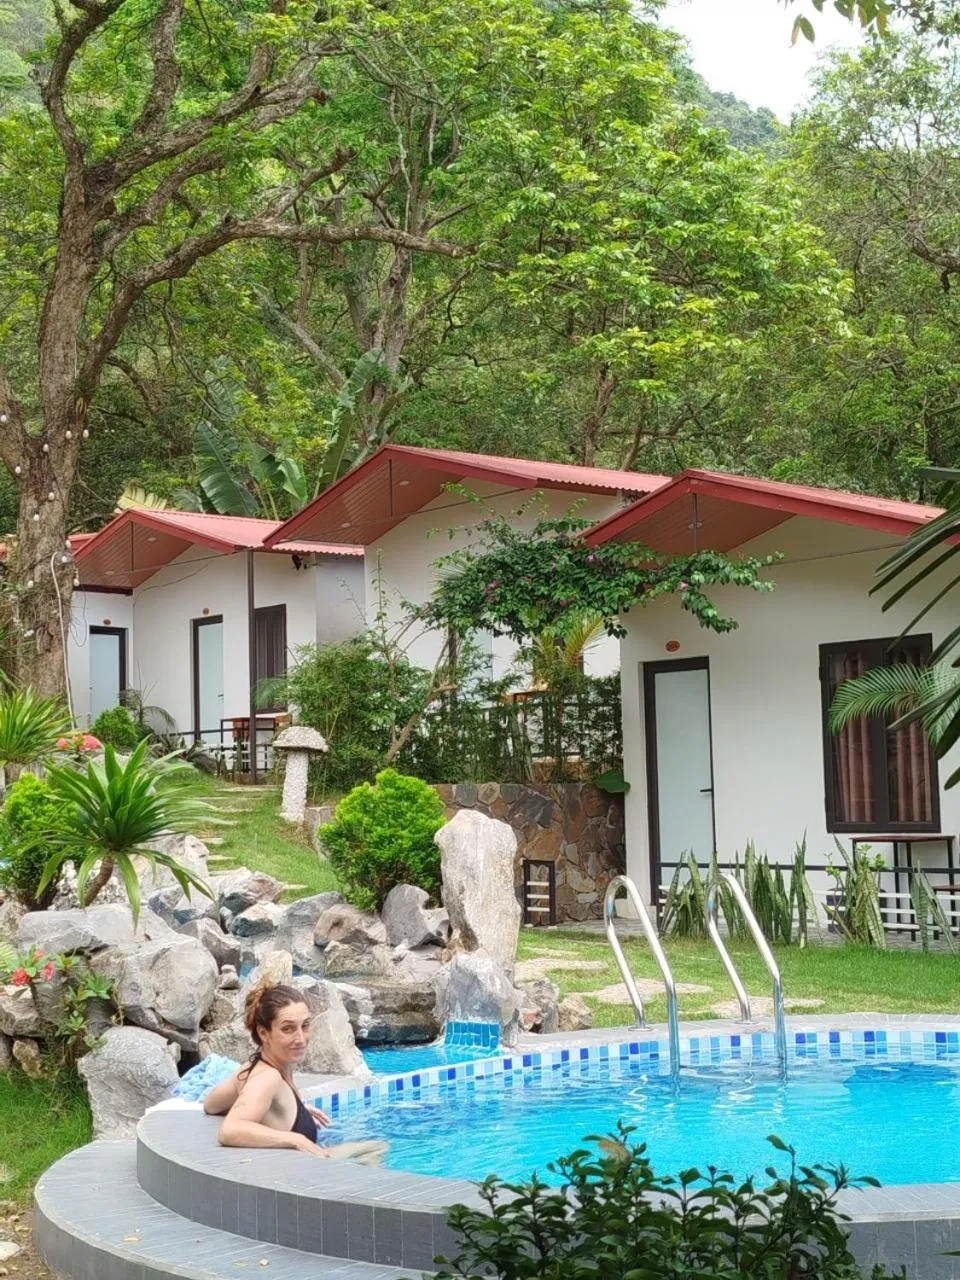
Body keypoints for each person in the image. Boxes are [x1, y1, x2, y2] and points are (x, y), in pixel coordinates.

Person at [203, 982, 335, 1155]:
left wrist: (294, 1109)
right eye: (288, 1029)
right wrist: (295, 1139)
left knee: (373, 1147)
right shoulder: (268, 1077)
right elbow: (230, 1131)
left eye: (305, 1026)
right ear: (263, 1033)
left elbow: (210, 1105)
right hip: (294, 1176)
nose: (301, 1039)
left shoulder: (252, 1067)